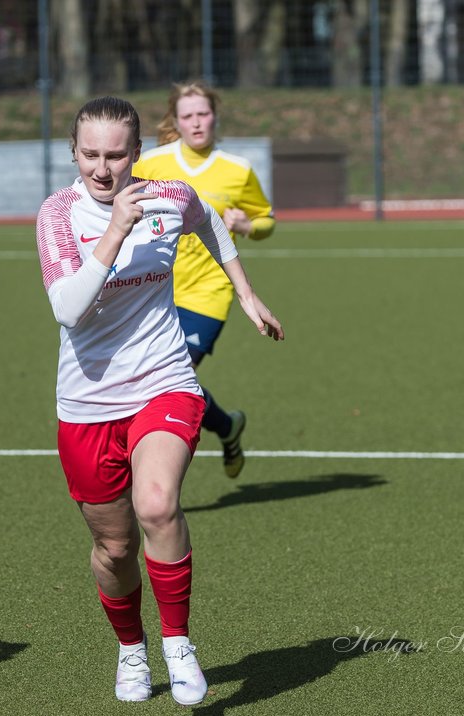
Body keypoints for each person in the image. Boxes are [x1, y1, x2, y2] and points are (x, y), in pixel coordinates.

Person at [35, 97, 283, 706]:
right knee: (114, 548)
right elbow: (68, 309)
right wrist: (117, 228)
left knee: (157, 505)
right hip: (88, 405)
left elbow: (210, 220)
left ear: (136, 154)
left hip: (162, 380)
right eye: (90, 154)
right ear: (73, 153)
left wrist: (244, 292)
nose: (102, 167)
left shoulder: (168, 197)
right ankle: (131, 649)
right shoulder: (58, 215)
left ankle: (178, 642)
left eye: (115, 154)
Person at [135, 81, 277, 478]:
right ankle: (227, 426)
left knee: (171, 376)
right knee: (153, 379)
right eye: (188, 116)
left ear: (214, 115)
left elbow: (267, 220)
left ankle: (156, 481)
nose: (197, 123)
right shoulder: (151, 163)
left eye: (203, 114)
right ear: (175, 121)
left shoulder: (237, 170)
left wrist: (249, 225)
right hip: (154, 289)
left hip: (208, 295)